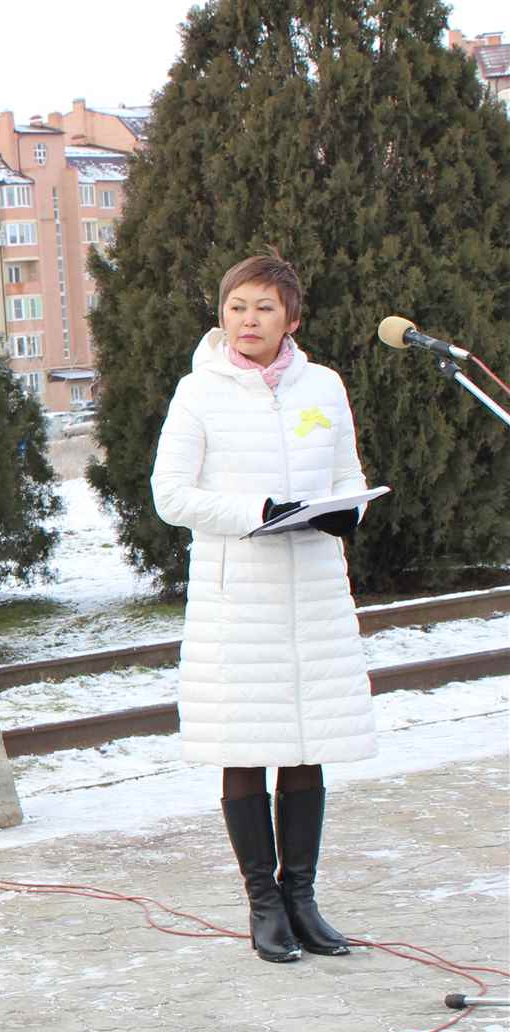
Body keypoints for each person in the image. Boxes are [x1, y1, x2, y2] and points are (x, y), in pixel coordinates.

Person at [151, 251, 374, 965]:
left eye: (264, 308)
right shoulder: (199, 393)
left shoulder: (324, 386)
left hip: (312, 588)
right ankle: (263, 905)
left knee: (306, 743)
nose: (248, 320)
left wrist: (345, 511)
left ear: (292, 319)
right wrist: (259, 511)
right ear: (222, 314)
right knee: (245, 745)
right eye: (237, 307)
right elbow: (171, 496)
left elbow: (347, 475)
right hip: (238, 595)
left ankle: (302, 897)